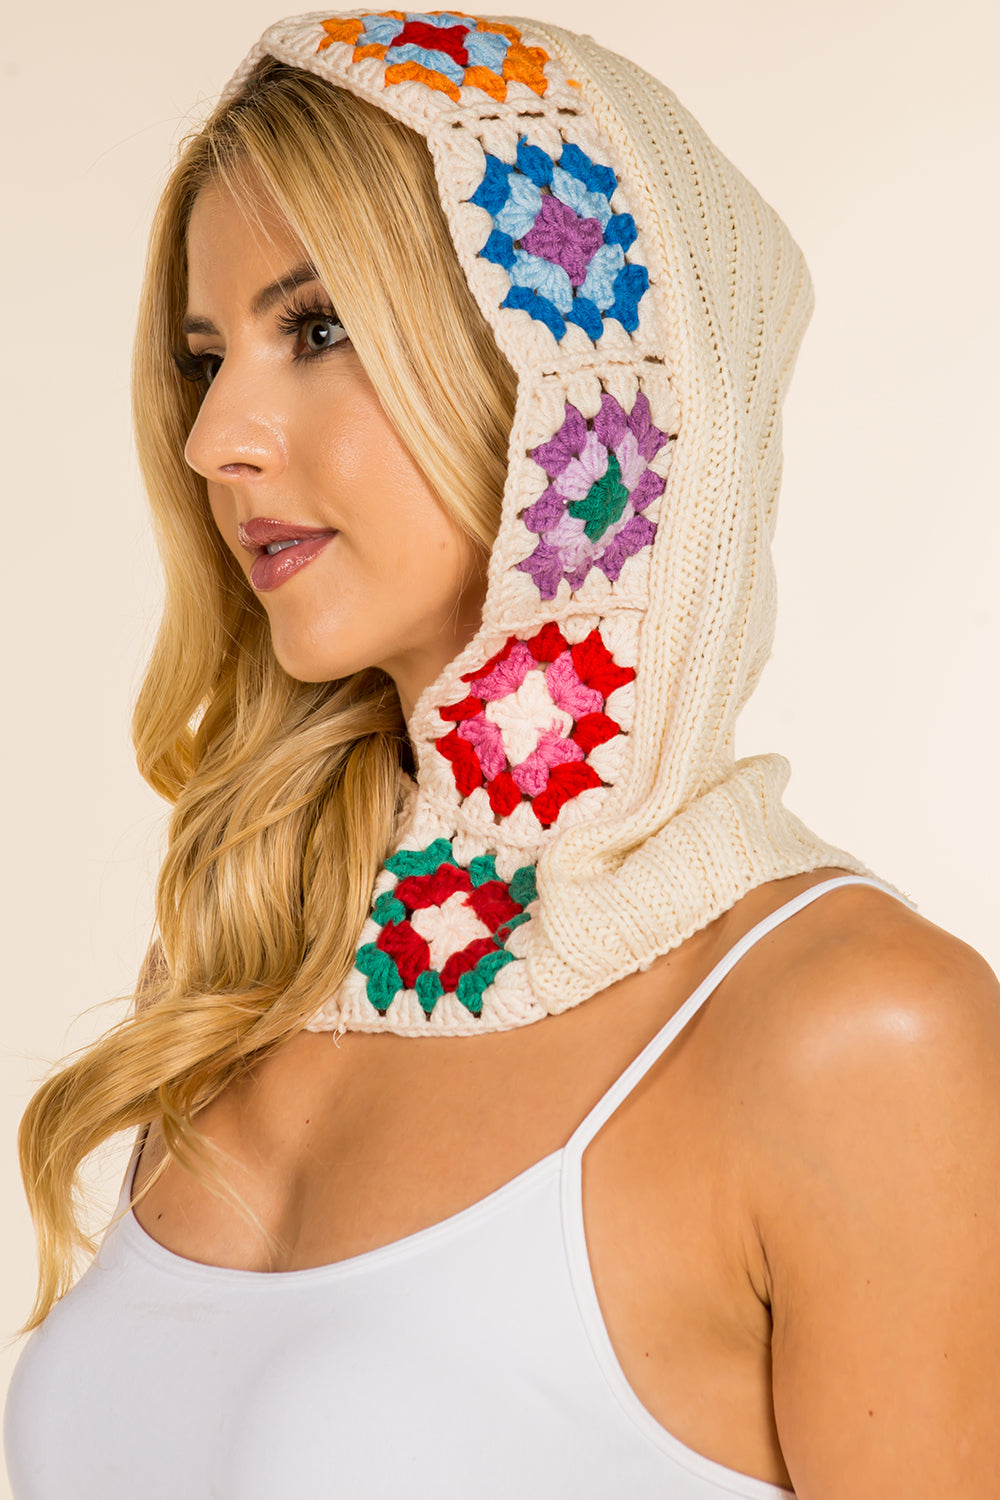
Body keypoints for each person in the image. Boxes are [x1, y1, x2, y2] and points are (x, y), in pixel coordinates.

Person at [5, 10, 1000, 1497]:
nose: (216, 439)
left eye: (318, 329)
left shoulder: (854, 1032)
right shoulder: (248, 969)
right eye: (206, 360)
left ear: (573, 379)